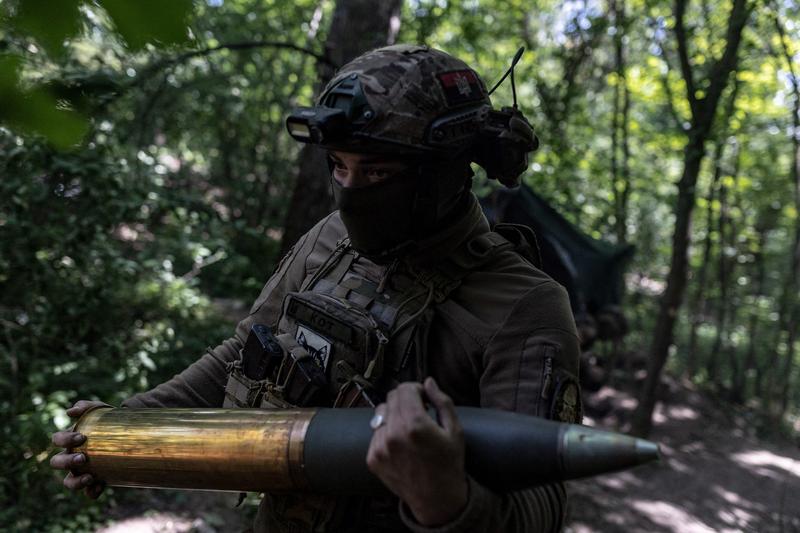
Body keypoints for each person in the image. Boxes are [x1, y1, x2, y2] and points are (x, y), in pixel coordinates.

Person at [51, 44, 582, 532]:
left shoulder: (524, 306)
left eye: (375, 173)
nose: (350, 192)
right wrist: (126, 427)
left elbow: (543, 507)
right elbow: (245, 352)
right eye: (338, 167)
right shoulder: (331, 237)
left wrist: (446, 496)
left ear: (447, 172)